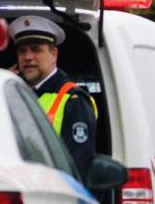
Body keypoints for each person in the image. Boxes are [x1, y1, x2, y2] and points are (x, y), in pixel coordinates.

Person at [8, 15, 97, 177]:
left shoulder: (73, 100)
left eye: (36, 49)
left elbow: (77, 166)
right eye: (22, 51)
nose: (28, 57)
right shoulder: (12, 94)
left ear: (54, 55)